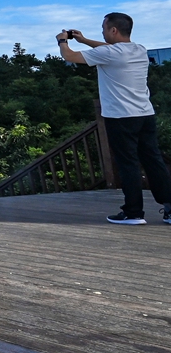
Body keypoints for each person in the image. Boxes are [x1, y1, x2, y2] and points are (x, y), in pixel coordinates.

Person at [59, 13, 171, 225]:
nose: (102, 31)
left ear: (113, 30)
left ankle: (133, 213)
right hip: (145, 114)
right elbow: (107, 49)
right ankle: (170, 208)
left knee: (128, 164)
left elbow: (69, 56)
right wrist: (84, 40)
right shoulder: (139, 49)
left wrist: (62, 40)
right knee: (153, 161)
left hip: (121, 117)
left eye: (104, 28)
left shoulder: (109, 53)